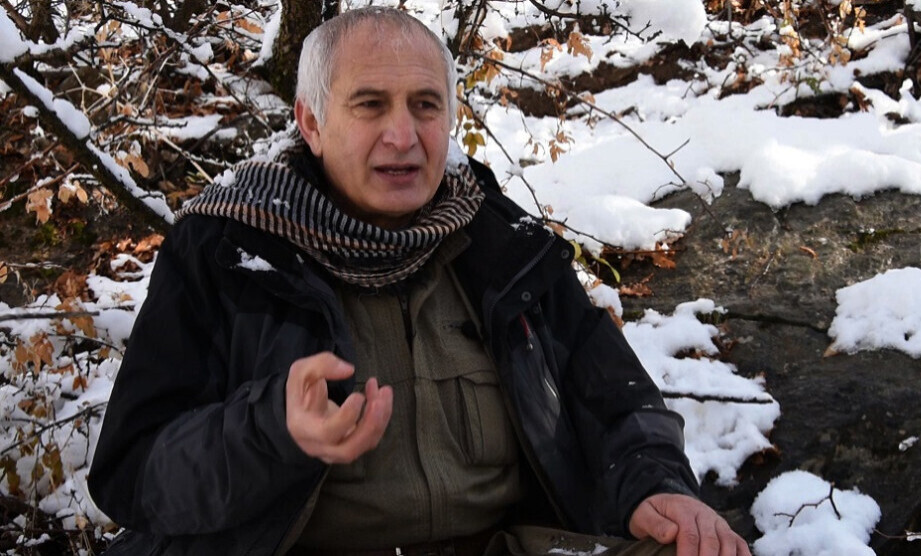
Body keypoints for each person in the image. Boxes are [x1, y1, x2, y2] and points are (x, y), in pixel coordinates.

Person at [89, 6, 751, 556]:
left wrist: (654, 486)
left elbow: (617, 400)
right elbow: (132, 474)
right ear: (312, 123)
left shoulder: (502, 245)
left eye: (424, 105)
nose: (403, 136)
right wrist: (270, 432)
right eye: (370, 105)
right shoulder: (231, 250)